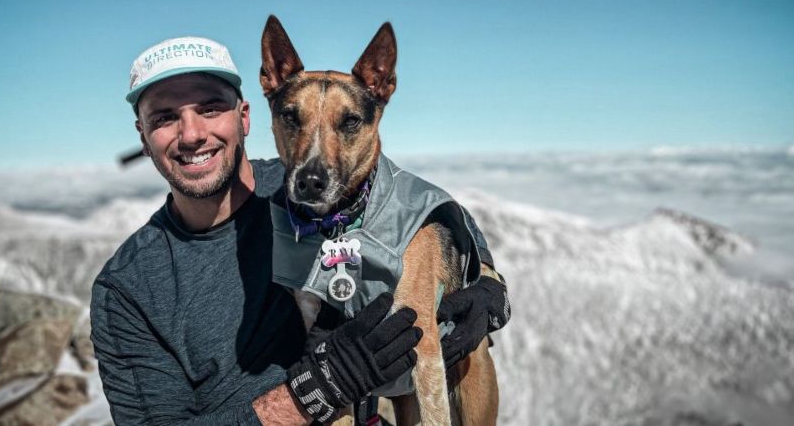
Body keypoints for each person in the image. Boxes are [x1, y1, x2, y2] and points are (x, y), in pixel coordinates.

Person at [90, 36, 510, 425]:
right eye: (164, 117)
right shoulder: (128, 291)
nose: (193, 134)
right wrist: (314, 390)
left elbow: (414, 205)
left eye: (210, 108)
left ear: (244, 117)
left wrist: (487, 281)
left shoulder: (308, 189)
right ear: (143, 137)